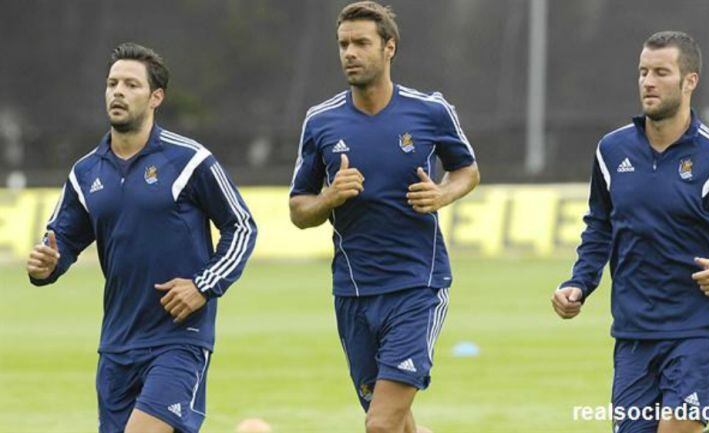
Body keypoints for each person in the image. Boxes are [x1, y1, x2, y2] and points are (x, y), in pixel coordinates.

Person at [25, 42, 257, 433]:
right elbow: (59, 243)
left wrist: (204, 286)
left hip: (178, 339)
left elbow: (242, 226)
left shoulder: (189, 160)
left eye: (131, 85)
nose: (118, 91)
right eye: (112, 83)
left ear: (155, 97)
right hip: (116, 345)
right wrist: (46, 265)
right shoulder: (85, 173)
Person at [552, 31, 709, 433]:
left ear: (690, 81)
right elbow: (600, 225)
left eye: (661, 72)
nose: (648, 82)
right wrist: (579, 283)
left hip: (697, 327)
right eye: (643, 72)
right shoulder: (612, 152)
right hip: (633, 331)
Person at [288, 2, 480, 432]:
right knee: (396, 422)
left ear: (389, 47)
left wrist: (442, 193)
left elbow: (468, 170)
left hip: (417, 286)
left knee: (379, 425)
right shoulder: (321, 122)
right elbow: (299, 209)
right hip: (353, 293)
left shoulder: (430, 111)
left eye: (361, 43)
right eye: (343, 44)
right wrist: (330, 197)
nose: (349, 53)